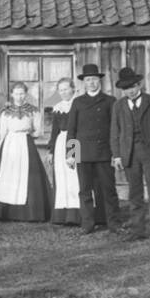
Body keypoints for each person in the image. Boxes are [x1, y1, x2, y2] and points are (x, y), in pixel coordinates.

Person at [110, 67, 150, 242]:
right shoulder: (118, 106)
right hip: (129, 154)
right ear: (122, 90)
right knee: (135, 194)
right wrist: (117, 155)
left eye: (133, 86)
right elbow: (114, 132)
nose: (130, 91)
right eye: (126, 88)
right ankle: (137, 230)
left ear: (139, 84)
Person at [66, 63, 122, 235]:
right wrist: (71, 154)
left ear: (99, 81)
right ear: (84, 82)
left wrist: (115, 153)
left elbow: (115, 129)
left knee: (108, 189)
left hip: (104, 152)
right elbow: (72, 129)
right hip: (83, 153)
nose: (91, 82)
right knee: (85, 190)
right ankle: (87, 224)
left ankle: (114, 223)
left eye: (94, 79)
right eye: (88, 80)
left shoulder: (110, 101)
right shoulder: (77, 102)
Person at [0, 82, 52, 221]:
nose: (19, 96)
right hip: (10, 143)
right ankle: (7, 213)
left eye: (22, 93)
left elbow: (38, 130)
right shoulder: (5, 112)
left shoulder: (33, 110)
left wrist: (29, 133)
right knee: (9, 174)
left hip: (25, 141)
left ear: (26, 94)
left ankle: (30, 212)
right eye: (16, 93)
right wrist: (1, 150)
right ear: (12, 94)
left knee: (28, 174)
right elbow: (2, 133)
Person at [47, 78, 86, 226]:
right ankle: (63, 214)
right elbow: (54, 131)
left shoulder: (79, 104)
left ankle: (78, 215)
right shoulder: (58, 107)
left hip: (75, 140)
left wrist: (73, 152)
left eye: (66, 89)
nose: (63, 92)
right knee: (63, 177)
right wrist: (51, 151)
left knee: (75, 175)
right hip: (60, 143)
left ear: (73, 89)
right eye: (61, 90)